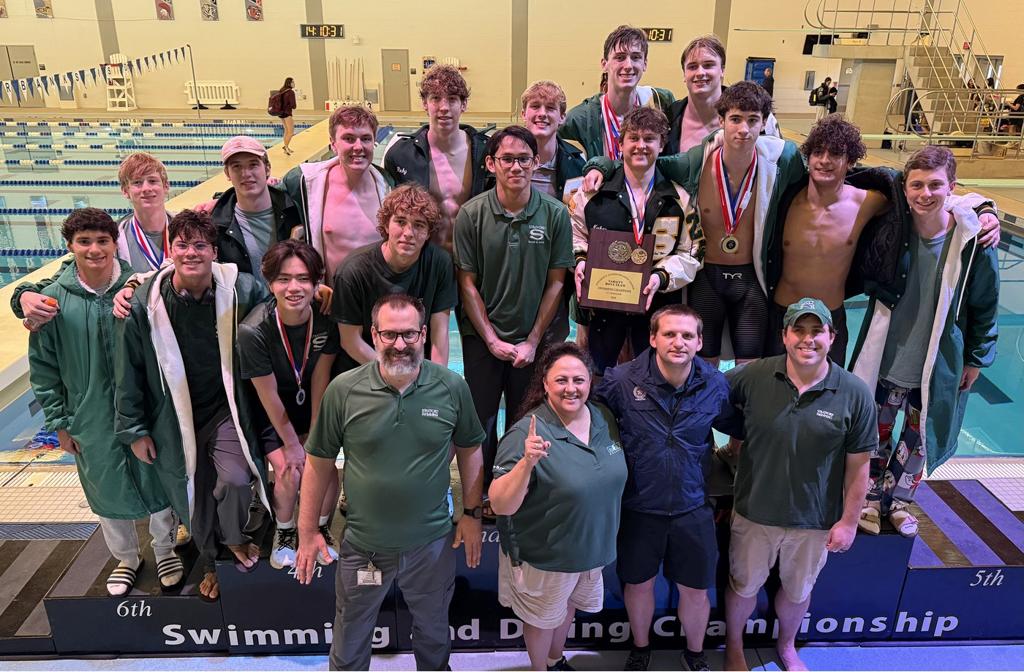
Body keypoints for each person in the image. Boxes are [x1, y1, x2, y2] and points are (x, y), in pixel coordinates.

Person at [295, 293, 486, 671]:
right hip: (364, 545)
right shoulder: (343, 390)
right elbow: (318, 463)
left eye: (409, 334)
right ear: (374, 334)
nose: (400, 344)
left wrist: (472, 514)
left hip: (431, 543)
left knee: (434, 633)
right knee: (350, 638)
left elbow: (470, 450)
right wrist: (307, 531)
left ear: (423, 334)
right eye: (390, 334)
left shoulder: (451, 387)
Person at [585, 81, 805, 365]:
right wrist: (599, 164)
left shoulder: (783, 160)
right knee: (702, 361)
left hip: (752, 279)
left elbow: (815, 182)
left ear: (764, 123)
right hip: (707, 278)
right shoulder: (695, 162)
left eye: (753, 120)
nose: (744, 129)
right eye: (735, 119)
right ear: (721, 120)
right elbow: (643, 159)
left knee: (749, 364)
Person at [115, 209, 271, 602]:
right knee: (193, 498)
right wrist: (134, 430)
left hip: (224, 411)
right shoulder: (146, 303)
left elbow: (276, 316)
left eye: (200, 245)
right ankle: (213, 560)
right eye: (182, 244)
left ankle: (234, 538)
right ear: (170, 250)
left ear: (214, 252)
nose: (191, 253)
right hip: (171, 417)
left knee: (234, 481)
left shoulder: (242, 290)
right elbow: (129, 370)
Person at [764, 114, 1002, 366]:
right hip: (781, 315)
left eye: (835, 153)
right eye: (817, 152)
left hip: (830, 319)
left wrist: (983, 208)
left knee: (829, 389)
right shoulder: (784, 197)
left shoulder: (869, 201)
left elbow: (925, 195)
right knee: (770, 386)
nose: (824, 160)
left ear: (850, 162)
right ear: (808, 157)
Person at [28, 208, 181, 596]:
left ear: (115, 244)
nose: (94, 250)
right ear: (70, 246)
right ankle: (126, 558)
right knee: (104, 485)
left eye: (102, 241)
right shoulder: (52, 301)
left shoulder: (139, 289)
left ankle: (165, 549)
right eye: (84, 242)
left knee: (158, 479)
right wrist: (60, 423)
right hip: (88, 415)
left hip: (145, 408)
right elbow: (44, 368)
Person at [849, 146, 999, 538]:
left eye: (935, 185)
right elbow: (857, 175)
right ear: (905, 187)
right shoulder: (892, 227)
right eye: (916, 185)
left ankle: (899, 503)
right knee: (875, 435)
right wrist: (987, 206)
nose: (925, 194)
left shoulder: (972, 242)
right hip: (887, 359)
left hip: (936, 366)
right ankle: (868, 499)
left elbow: (985, 305)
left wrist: (976, 359)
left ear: (952, 187)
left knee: (918, 443)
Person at [720, 298, 875, 671]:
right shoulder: (754, 376)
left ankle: (787, 646)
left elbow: (859, 466)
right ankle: (734, 647)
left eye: (817, 331)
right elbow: (707, 395)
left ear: (832, 337)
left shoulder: (854, 393)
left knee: (797, 591)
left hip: (814, 519)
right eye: (799, 330)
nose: (808, 339)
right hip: (755, 510)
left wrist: (849, 521)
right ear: (784, 336)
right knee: (743, 586)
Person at [593, 305, 731, 672]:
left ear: (699, 342)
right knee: (639, 585)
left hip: (692, 506)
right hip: (639, 506)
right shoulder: (621, 381)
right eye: (669, 334)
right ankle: (641, 649)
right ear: (653, 338)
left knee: (696, 591)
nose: (678, 342)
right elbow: (591, 423)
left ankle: (695, 653)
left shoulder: (715, 384)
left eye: (687, 335)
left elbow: (738, 427)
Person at [489, 342, 627, 672]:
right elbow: (500, 503)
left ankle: (554, 660)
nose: (571, 388)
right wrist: (527, 463)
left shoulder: (602, 417)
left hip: (590, 549)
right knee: (542, 619)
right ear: (545, 383)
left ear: (590, 382)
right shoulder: (526, 433)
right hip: (546, 555)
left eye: (578, 380)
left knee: (566, 607)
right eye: (561, 380)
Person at [453, 125, 574, 493]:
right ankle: (481, 496)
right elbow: (467, 283)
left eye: (524, 159)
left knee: (528, 421)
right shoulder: (471, 214)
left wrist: (533, 341)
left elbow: (557, 283)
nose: (516, 167)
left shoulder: (555, 214)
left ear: (536, 163)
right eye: (507, 159)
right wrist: (491, 340)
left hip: (535, 339)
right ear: (491, 164)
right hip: (482, 339)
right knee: (482, 422)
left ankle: (519, 490)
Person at [570, 107, 702, 374]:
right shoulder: (591, 193)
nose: (641, 145)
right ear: (621, 144)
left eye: (649, 138)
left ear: (661, 145)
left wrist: (660, 277)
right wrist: (581, 260)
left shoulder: (680, 199)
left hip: (657, 307)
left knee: (653, 379)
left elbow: (693, 251)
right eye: (634, 138)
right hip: (604, 306)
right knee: (600, 377)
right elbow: (574, 235)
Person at [238, 240, 341, 568]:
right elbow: (267, 393)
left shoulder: (326, 319)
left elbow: (320, 377)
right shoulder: (253, 330)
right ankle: (284, 532)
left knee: (324, 465)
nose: (294, 287)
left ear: (316, 282)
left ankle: (321, 528)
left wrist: (315, 434)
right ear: (270, 282)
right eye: (283, 279)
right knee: (288, 469)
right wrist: (293, 445)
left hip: (312, 406)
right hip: (272, 412)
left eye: (303, 279)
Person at [12, 152, 175, 326]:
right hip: (135, 326)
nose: (146, 188)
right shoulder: (112, 236)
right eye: (137, 183)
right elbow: (70, 274)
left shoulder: (186, 230)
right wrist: (23, 295)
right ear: (125, 191)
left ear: (166, 186)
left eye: (153, 181)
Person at [332, 184, 457, 372]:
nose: (408, 233)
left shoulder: (439, 263)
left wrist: (436, 380)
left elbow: (440, 335)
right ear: (386, 225)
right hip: (365, 367)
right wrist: (394, 374)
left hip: (416, 368)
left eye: (419, 225)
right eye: (400, 221)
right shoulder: (353, 272)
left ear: (428, 233)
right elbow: (351, 341)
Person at [382, 64, 491, 253]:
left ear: (463, 104)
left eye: (452, 99)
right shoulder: (400, 155)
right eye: (436, 98)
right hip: (425, 260)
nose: (444, 108)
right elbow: (390, 215)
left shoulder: (485, 153)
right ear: (425, 103)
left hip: (472, 259)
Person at [282, 105, 390, 281]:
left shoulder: (388, 186)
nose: (358, 147)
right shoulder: (306, 183)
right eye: (348, 138)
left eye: (365, 139)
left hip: (378, 295)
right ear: (333, 143)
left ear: (374, 142)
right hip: (331, 296)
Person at [560, 25, 675, 161]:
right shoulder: (578, 120)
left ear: (645, 64)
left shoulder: (661, 102)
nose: (628, 65)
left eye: (636, 57)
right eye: (620, 57)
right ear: (604, 64)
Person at [664, 35, 780, 156]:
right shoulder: (669, 117)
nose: (700, 73)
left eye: (708, 65)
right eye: (692, 67)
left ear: (722, 70)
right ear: (684, 74)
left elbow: (777, 160)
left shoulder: (758, 115)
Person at [210, 135, 304, 281]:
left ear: (267, 168)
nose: (246, 174)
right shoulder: (217, 226)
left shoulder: (295, 210)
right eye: (236, 167)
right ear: (227, 173)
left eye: (253, 165)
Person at [274, 77, 298, 155]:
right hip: (287, 113)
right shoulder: (290, 92)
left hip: (281, 113)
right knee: (291, 132)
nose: (294, 83)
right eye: (293, 82)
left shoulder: (282, 90)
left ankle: (286, 147)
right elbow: (293, 105)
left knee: (286, 130)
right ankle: (286, 147)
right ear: (289, 83)